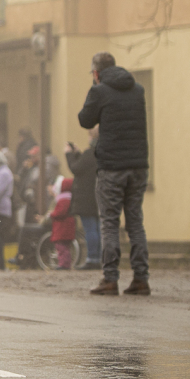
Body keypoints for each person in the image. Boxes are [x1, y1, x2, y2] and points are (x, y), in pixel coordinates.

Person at [78, 51, 150, 296]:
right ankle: (141, 278)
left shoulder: (99, 91)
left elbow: (85, 120)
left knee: (109, 223)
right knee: (135, 222)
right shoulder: (137, 90)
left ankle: (110, 279)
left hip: (112, 167)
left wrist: (94, 89)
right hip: (138, 166)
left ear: (96, 72)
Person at [65, 127, 101, 270]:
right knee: (97, 228)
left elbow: (76, 168)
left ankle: (92, 258)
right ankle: (99, 257)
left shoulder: (90, 153)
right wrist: (78, 154)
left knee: (90, 229)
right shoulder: (100, 153)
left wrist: (69, 154)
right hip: (97, 197)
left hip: (86, 198)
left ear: (93, 137)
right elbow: (85, 166)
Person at [42, 177, 77, 269]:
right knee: (65, 248)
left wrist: (52, 214)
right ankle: (65, 263)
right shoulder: (68, 199)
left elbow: (60, 212)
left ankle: (63, 264)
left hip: (62, 229)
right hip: (66, 227)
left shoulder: (63, 200)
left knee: (61, 247)